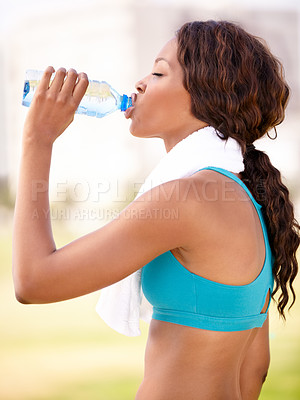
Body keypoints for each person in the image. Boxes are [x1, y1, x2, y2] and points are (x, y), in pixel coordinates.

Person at [12, 20, 299, 400]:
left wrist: (37, 140)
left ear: (206, 95)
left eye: (159, 72)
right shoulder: (249, 198)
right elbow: (254, 372)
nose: (140, 83)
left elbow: (34, 281)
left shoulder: (186, 199)